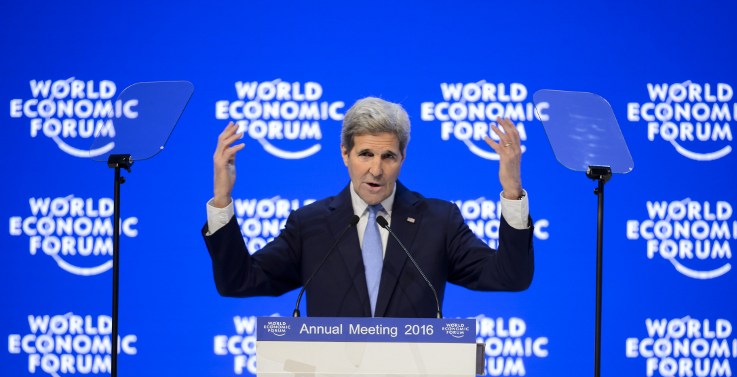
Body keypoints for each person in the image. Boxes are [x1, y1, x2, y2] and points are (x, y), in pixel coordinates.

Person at [203, 97, 533, 317]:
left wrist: (512, 191)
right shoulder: (311, 225)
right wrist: (221, 200)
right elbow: (239, 281)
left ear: (402, 158)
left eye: (388, 156)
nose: (376, 170)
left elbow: (509, 277)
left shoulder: (438, 221)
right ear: (345, 154)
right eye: (365, 155)